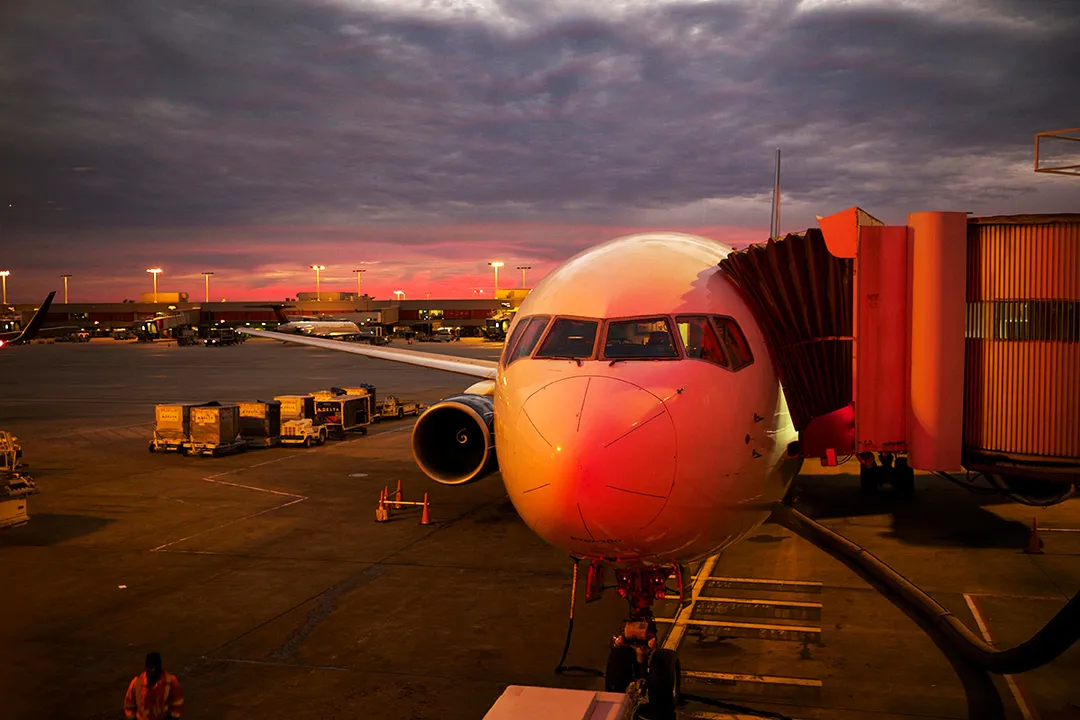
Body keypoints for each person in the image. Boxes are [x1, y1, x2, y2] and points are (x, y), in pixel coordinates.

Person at [124, 652, 183, 720]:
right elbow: (129, 705)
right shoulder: (136, 683)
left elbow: (177, 703)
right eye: (151, 668)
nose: (153, 670)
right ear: (146, 668)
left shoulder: (171, 682)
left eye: (155, 668)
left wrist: (173, 718)